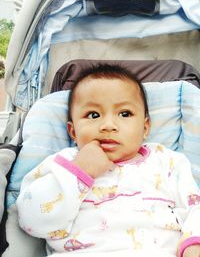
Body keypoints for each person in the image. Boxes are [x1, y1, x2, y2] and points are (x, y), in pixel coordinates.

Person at [16, 64, 200, 257]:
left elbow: (194, 209)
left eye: (125, 114)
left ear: (145, 128)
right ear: (73, 132)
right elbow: (31, 221)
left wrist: (193, 244)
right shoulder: (63, 163)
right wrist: (79, 170)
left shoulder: (167, 161)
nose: (108, 126)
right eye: (93, 115)